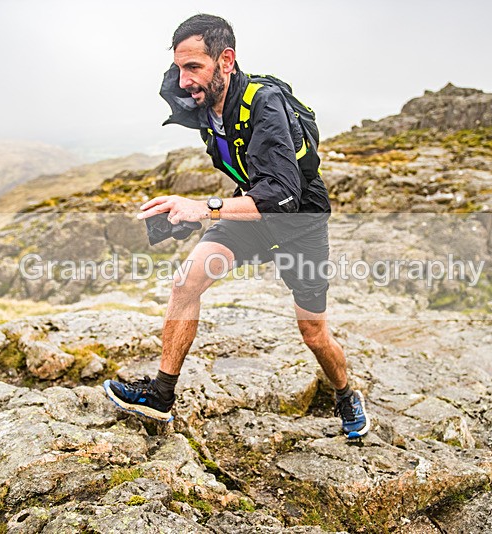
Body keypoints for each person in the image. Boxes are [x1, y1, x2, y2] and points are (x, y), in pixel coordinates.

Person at [103, 14, 369, 439]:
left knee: (313, 332)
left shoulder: (265, 103)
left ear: (226, 61)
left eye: (194, 67)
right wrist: (187, 217)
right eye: (179, 68)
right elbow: (251, 182)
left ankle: (345, 393)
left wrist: (203, 208)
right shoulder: (205, 107)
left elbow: (282, 195)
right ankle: (160, 396)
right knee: (185, 283)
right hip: (253, 215)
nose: (184, 80)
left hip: (300, 222)